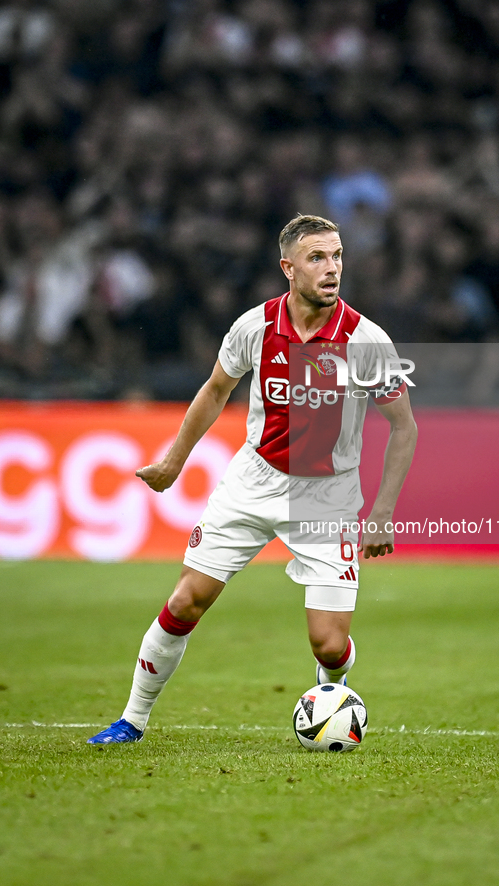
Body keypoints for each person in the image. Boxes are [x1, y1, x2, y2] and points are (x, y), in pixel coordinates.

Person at [87, 214, 418, 744]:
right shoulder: (256, 326)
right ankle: (132, 719)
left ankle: (333, 684)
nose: (331, 268)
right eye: (317, 258)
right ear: (288, 268)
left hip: (327, 496)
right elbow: (216, 389)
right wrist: (174, 461)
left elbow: (404, 427)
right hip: (253, 479)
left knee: (329, 647)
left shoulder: (365, 339)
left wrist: (381, 515)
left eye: (336, 257)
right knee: (184, 602)